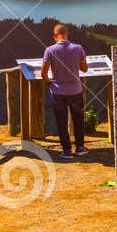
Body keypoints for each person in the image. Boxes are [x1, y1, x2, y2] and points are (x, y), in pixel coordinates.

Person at [40, 23, 89, 159]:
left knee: (61, 121)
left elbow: (43, 72)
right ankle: (79, 147)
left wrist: (49, 81)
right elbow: (84, 69)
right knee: (78, 120)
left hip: (58, 92)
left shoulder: (49, 50)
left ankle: (66, 150)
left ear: (55, 36)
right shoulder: (78, 48)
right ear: (67, 34)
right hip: (75, 91)